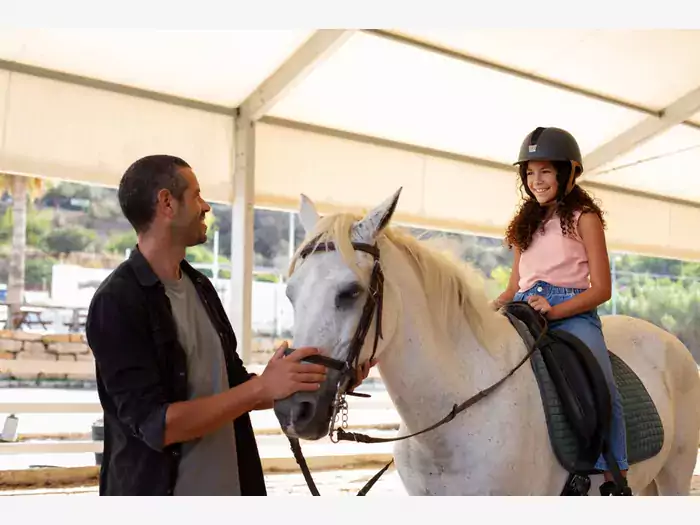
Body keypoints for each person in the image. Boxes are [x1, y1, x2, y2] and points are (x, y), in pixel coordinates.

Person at [85, 154, 373, 496]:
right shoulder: (116, 303)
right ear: (166, 203)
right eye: (196, 195)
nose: (206, 206)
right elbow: (156, 426)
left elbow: (235, 388)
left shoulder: (201, 287)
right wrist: (261, 388)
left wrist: (318, 380)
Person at [492, 127, 629, 495]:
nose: (536, 181)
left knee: (604, 386)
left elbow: (601, 289)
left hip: (572, 311)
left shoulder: (585, 218)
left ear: (568, 173)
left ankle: (613, 474)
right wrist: (497, 303)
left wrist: (555, 310)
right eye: (530, 173)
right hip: (524, 306)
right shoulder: (526, 222)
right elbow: (512, 285)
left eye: (546, 172)